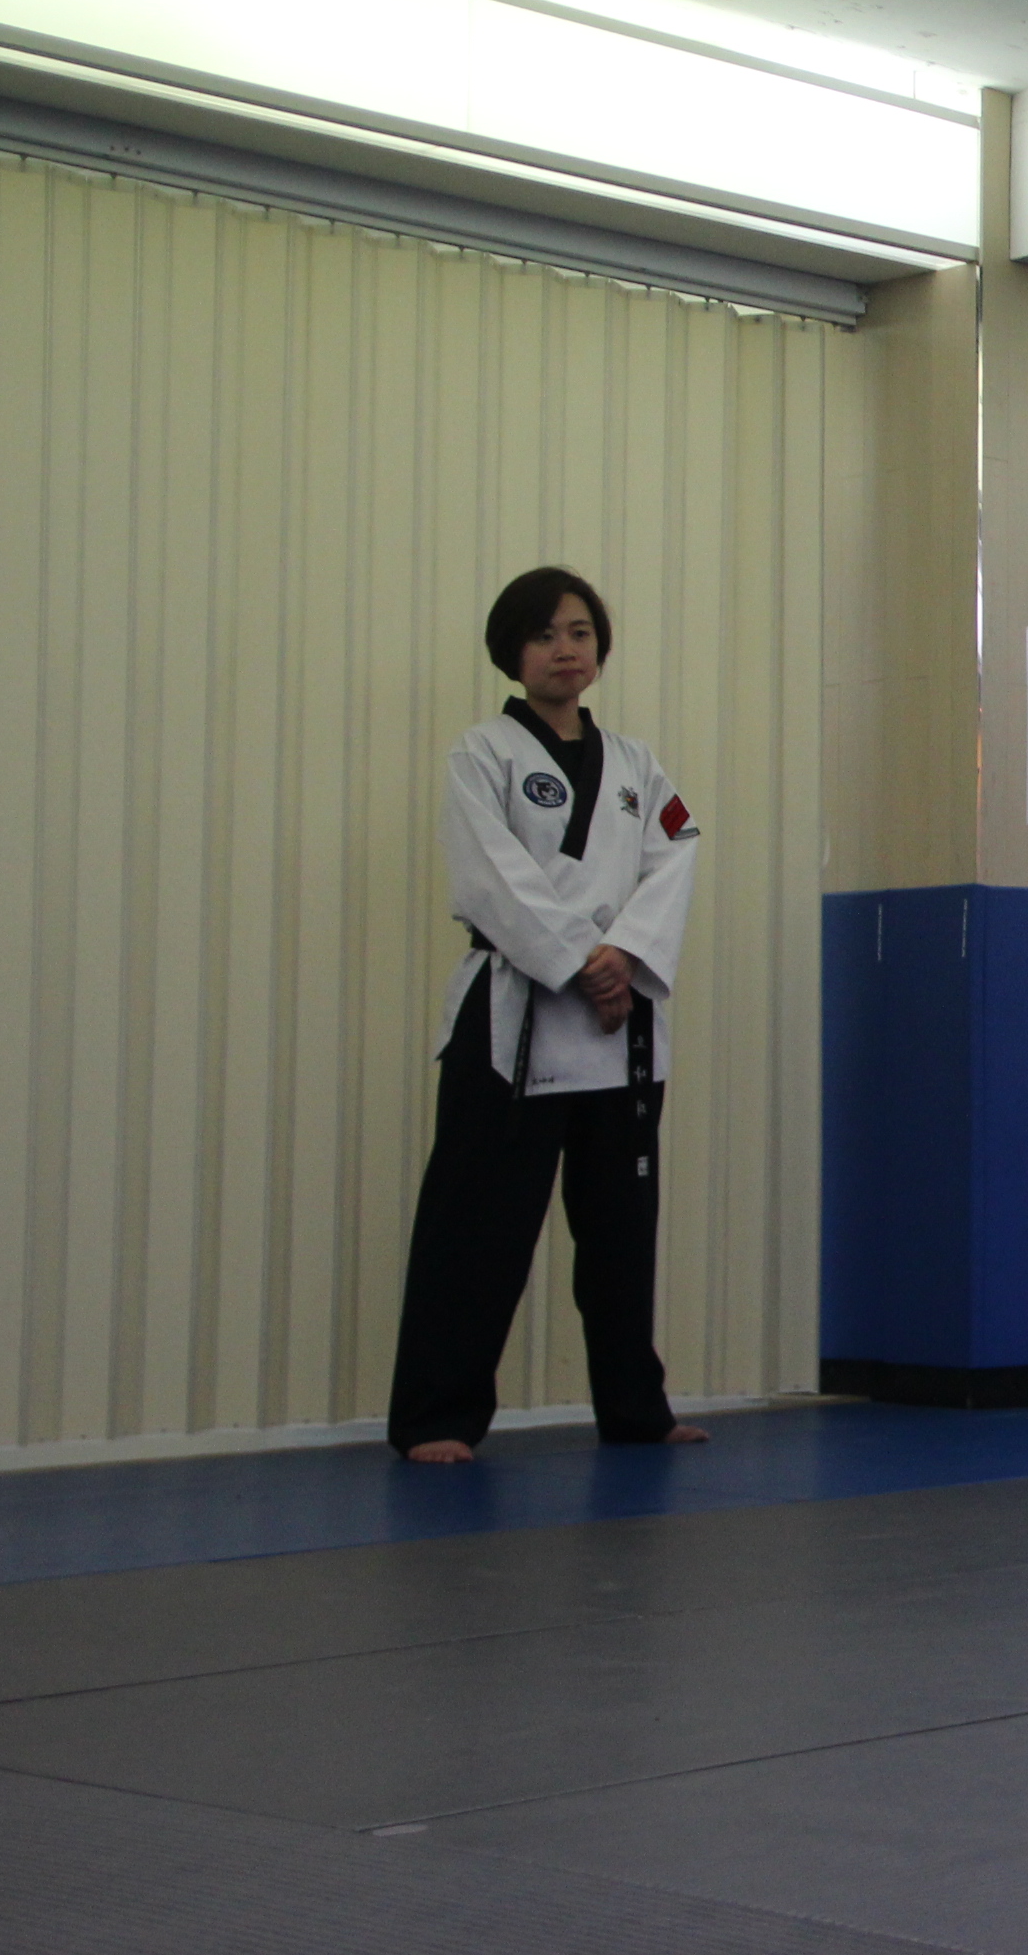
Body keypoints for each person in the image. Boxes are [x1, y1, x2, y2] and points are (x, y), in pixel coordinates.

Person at [386, 570, 707, 1464]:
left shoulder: (637, 765)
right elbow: (489, 875)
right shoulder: (482, 754)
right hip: (515, 1021)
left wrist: (624, 956)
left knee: (620, 1234)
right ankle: (436, 1417)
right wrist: (578, 961)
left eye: (579, 633)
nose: (565, 650)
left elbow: (678, 848)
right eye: (544, 635)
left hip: (618, 1026)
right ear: (512, 652)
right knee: (476, 1229)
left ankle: (635, 1410)